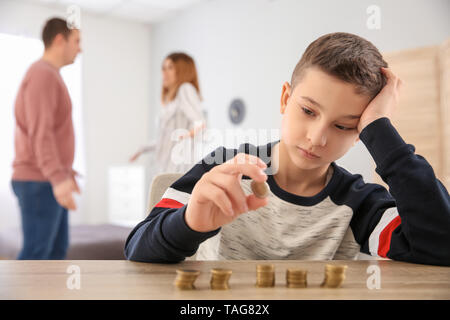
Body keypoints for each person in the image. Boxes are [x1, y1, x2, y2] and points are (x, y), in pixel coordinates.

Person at [124, 32, 450, 266]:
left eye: (344, 125)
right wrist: (189, 221)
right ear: (285, 99)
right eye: (308, 111)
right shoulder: (223, 166)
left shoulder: (361, 202)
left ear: (361, 133)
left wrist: (382, 131)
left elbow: (441, 246)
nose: (317, 138)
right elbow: (137, 249)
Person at [11, 17, 82, 259]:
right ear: (60, 40)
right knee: (36, 256)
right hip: (39, 182)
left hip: (46, 180)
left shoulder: (50, 75)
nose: (80, 48)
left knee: (54, 254)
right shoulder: (43, 75)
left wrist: (65, 174)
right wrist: (57, 178)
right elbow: (41, 133)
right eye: (76, 41)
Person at [129, 52, 206, 175]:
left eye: (170, 68)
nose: (164, 73)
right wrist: (142, 149)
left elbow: (200, 123)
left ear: (183, 70)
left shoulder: (185, 89)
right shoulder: (172, 102)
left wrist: (187, 134)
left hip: (178, 170)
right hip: (164, 169)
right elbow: (166, 139)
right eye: (163, 68)